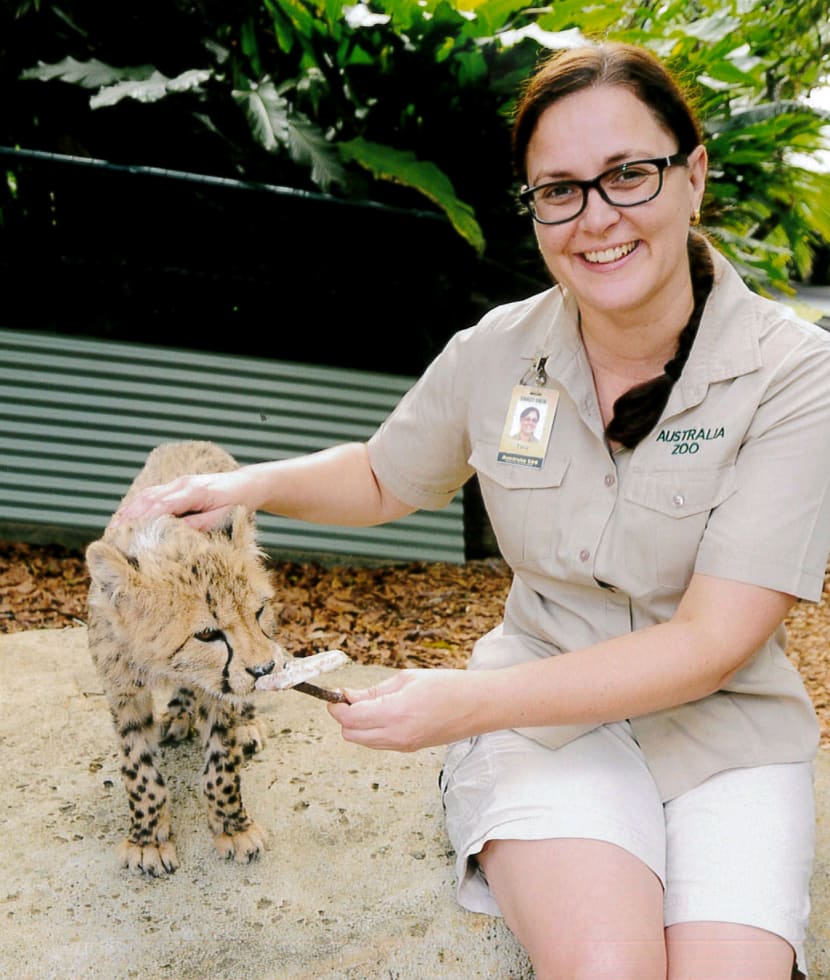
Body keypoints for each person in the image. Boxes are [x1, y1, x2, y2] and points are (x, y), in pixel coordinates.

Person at [113, 42, 830, 980]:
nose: (596, 217)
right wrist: (244, 486)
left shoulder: (793, 375)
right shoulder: (499, 351)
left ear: (692, 177)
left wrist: (463, 704)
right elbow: (383, 477)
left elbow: (710, 641)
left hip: (725, 731)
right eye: (559, 190)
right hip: (548, 720)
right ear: (534, 207)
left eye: (629, 175)